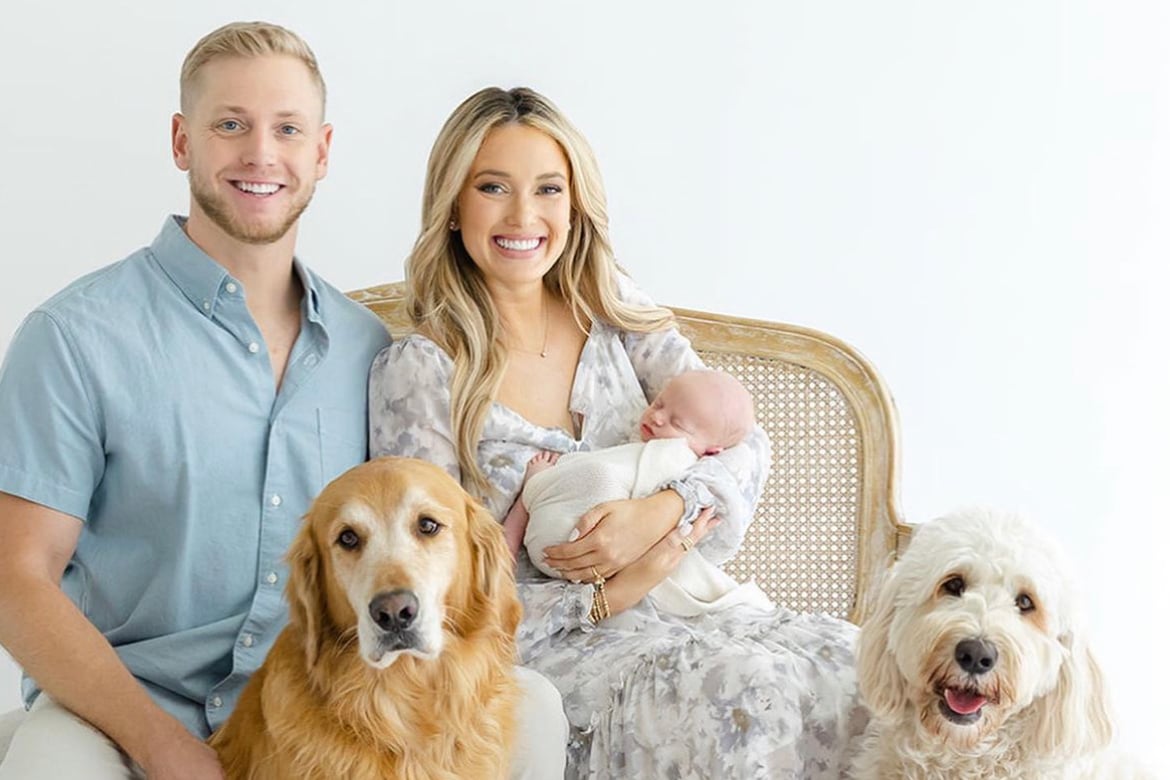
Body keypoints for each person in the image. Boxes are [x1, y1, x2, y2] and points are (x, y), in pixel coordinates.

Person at [0, 24, 566, 780]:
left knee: (533, 706)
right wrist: (162, 747)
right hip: (120, 713)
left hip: (326, 708)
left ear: (321, 152)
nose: (260, 154)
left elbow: (428, 538)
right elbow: (16, 578)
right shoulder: (74, 338)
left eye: (287, 129)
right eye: (230, 124)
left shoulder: (372, 351)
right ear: (181, 141)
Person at [369, 85, 865, 778]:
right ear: (454, 207)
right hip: (550, 652)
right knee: (748, 689)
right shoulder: (420, 372)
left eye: (548, 189)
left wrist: (660, 513)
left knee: (858, 664)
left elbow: (744, 442)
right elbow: (431, 591)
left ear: (573, 205)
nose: (523, 216)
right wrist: (606, 594)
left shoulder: (614, 312)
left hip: (689, 612)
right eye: (492, 187)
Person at [509, 369, 774, 622]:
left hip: (576, 549)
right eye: (659, 404)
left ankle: (535, 488)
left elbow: (748, 453)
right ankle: (536, 491)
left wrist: (669, 506)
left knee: (600, 474)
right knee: (599, 472)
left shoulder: (680, 460)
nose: (658, 418)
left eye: (677, 423)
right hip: (562, 563)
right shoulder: (638, 450)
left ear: (712, 452)